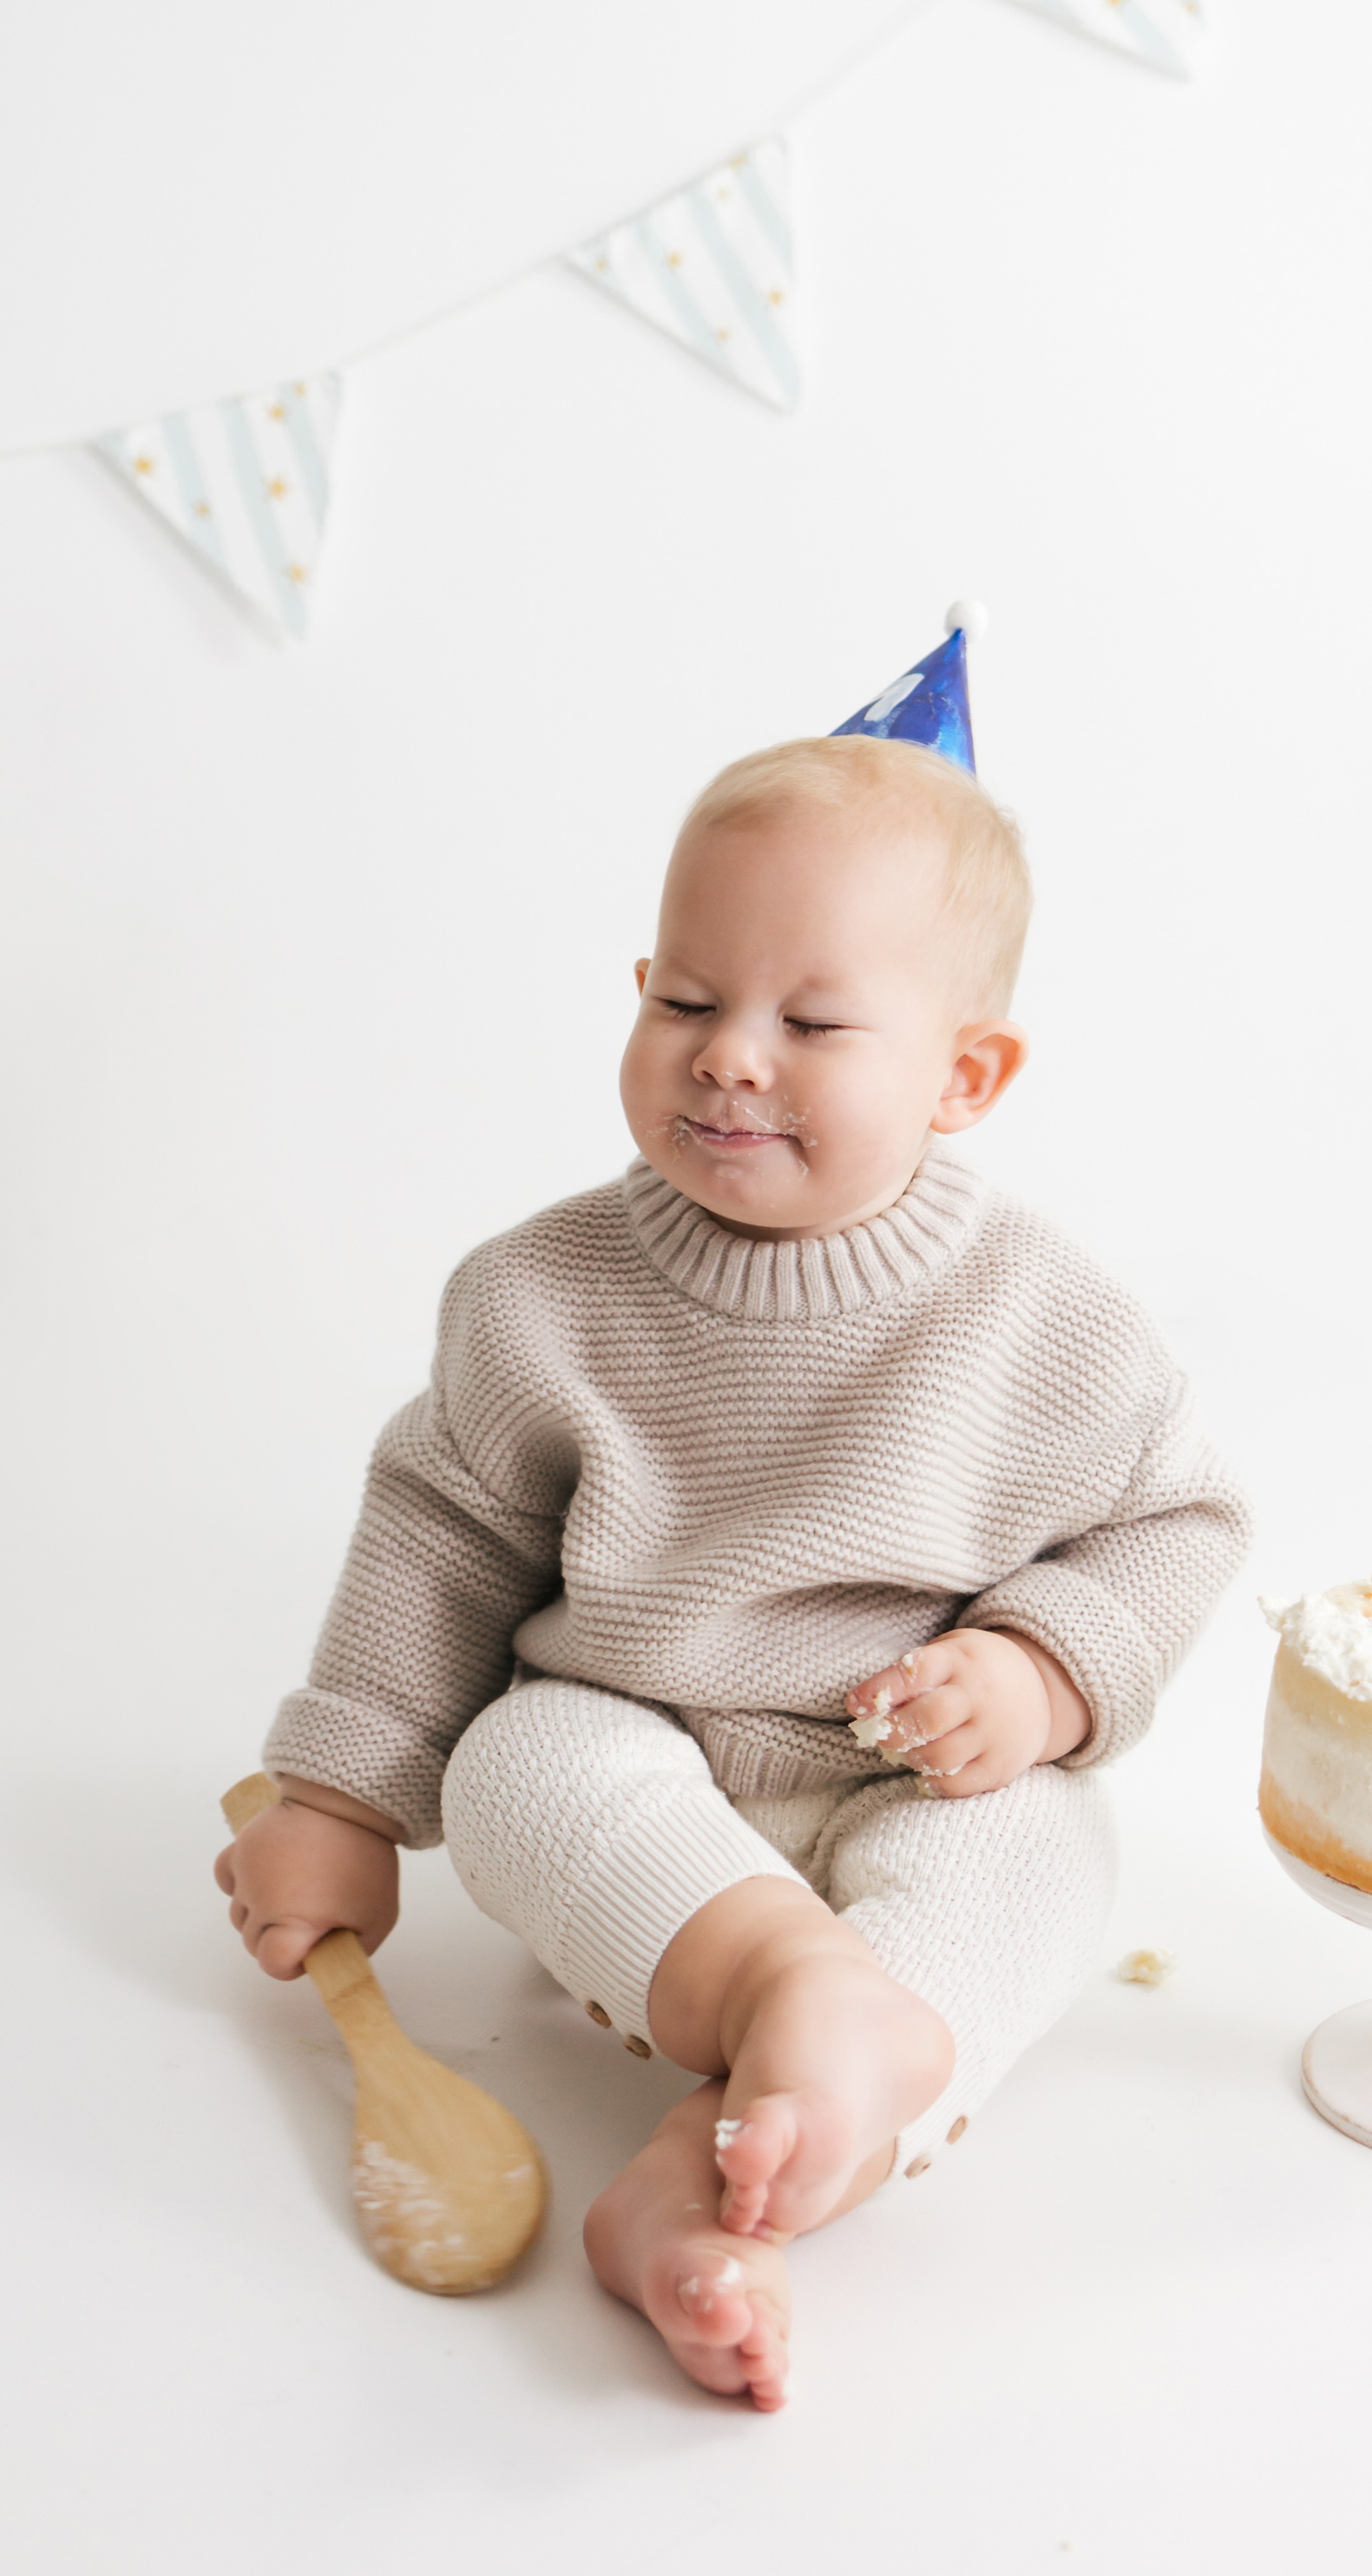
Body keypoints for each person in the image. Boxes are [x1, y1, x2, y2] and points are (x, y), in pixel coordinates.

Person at [215, 643, 1250, 2412]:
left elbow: (1178, 1521)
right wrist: (339, 1797)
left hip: (897, 1764)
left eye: (813, 1022)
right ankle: (799, 2001)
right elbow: (439, 1544)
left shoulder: (1043, 1319)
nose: (729, 1061)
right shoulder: (542, 1297)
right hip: (642, 1777)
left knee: (1041, 1850)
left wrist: (1040, 1670)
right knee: (520, 1758)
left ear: (964, 1075)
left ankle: (716, 2181)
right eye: (685, 999)